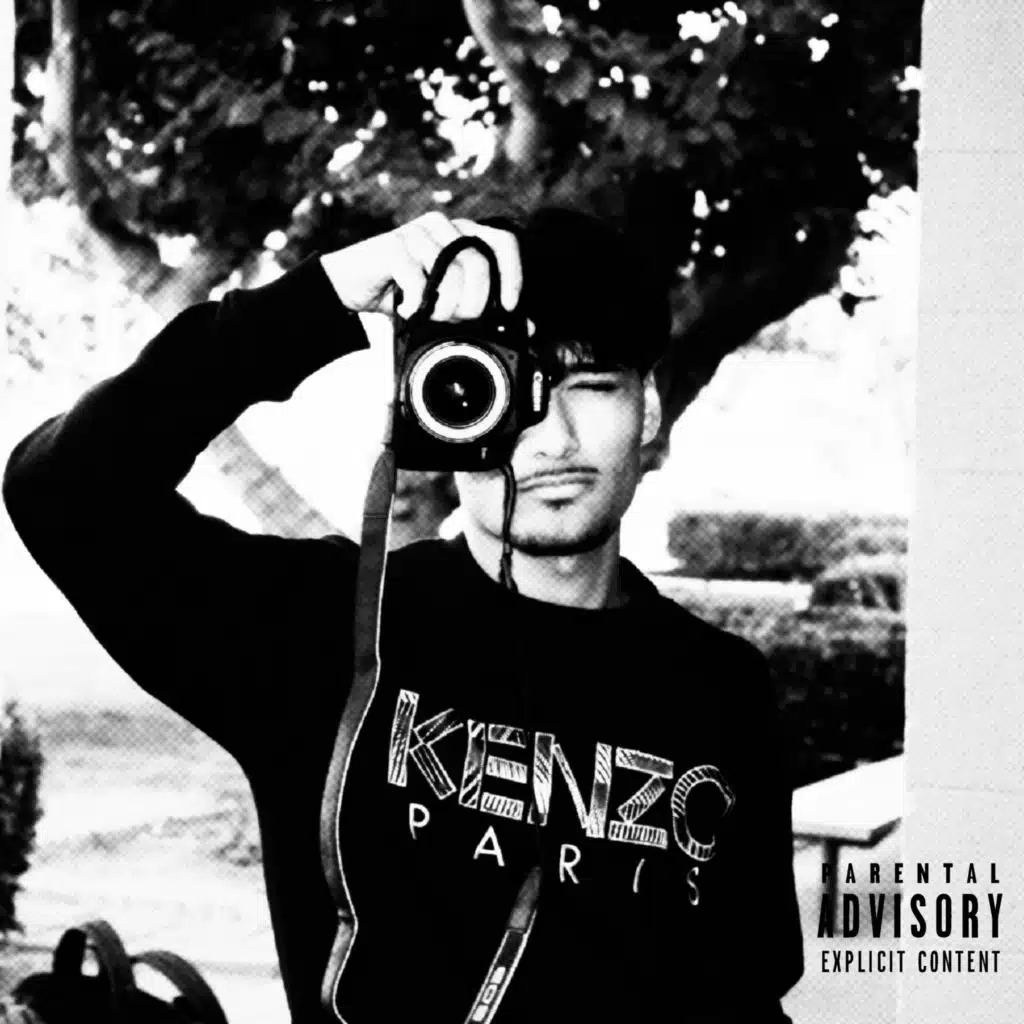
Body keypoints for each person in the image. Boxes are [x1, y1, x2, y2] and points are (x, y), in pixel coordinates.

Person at [2, 207, 804, 1023]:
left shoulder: (723, 687)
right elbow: (62, 491)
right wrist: (324, 298)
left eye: (591, 387)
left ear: (650, 411)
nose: (552, 439)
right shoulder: (330, 628)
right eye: (504, 388)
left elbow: (745, 991)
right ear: (437, 412)